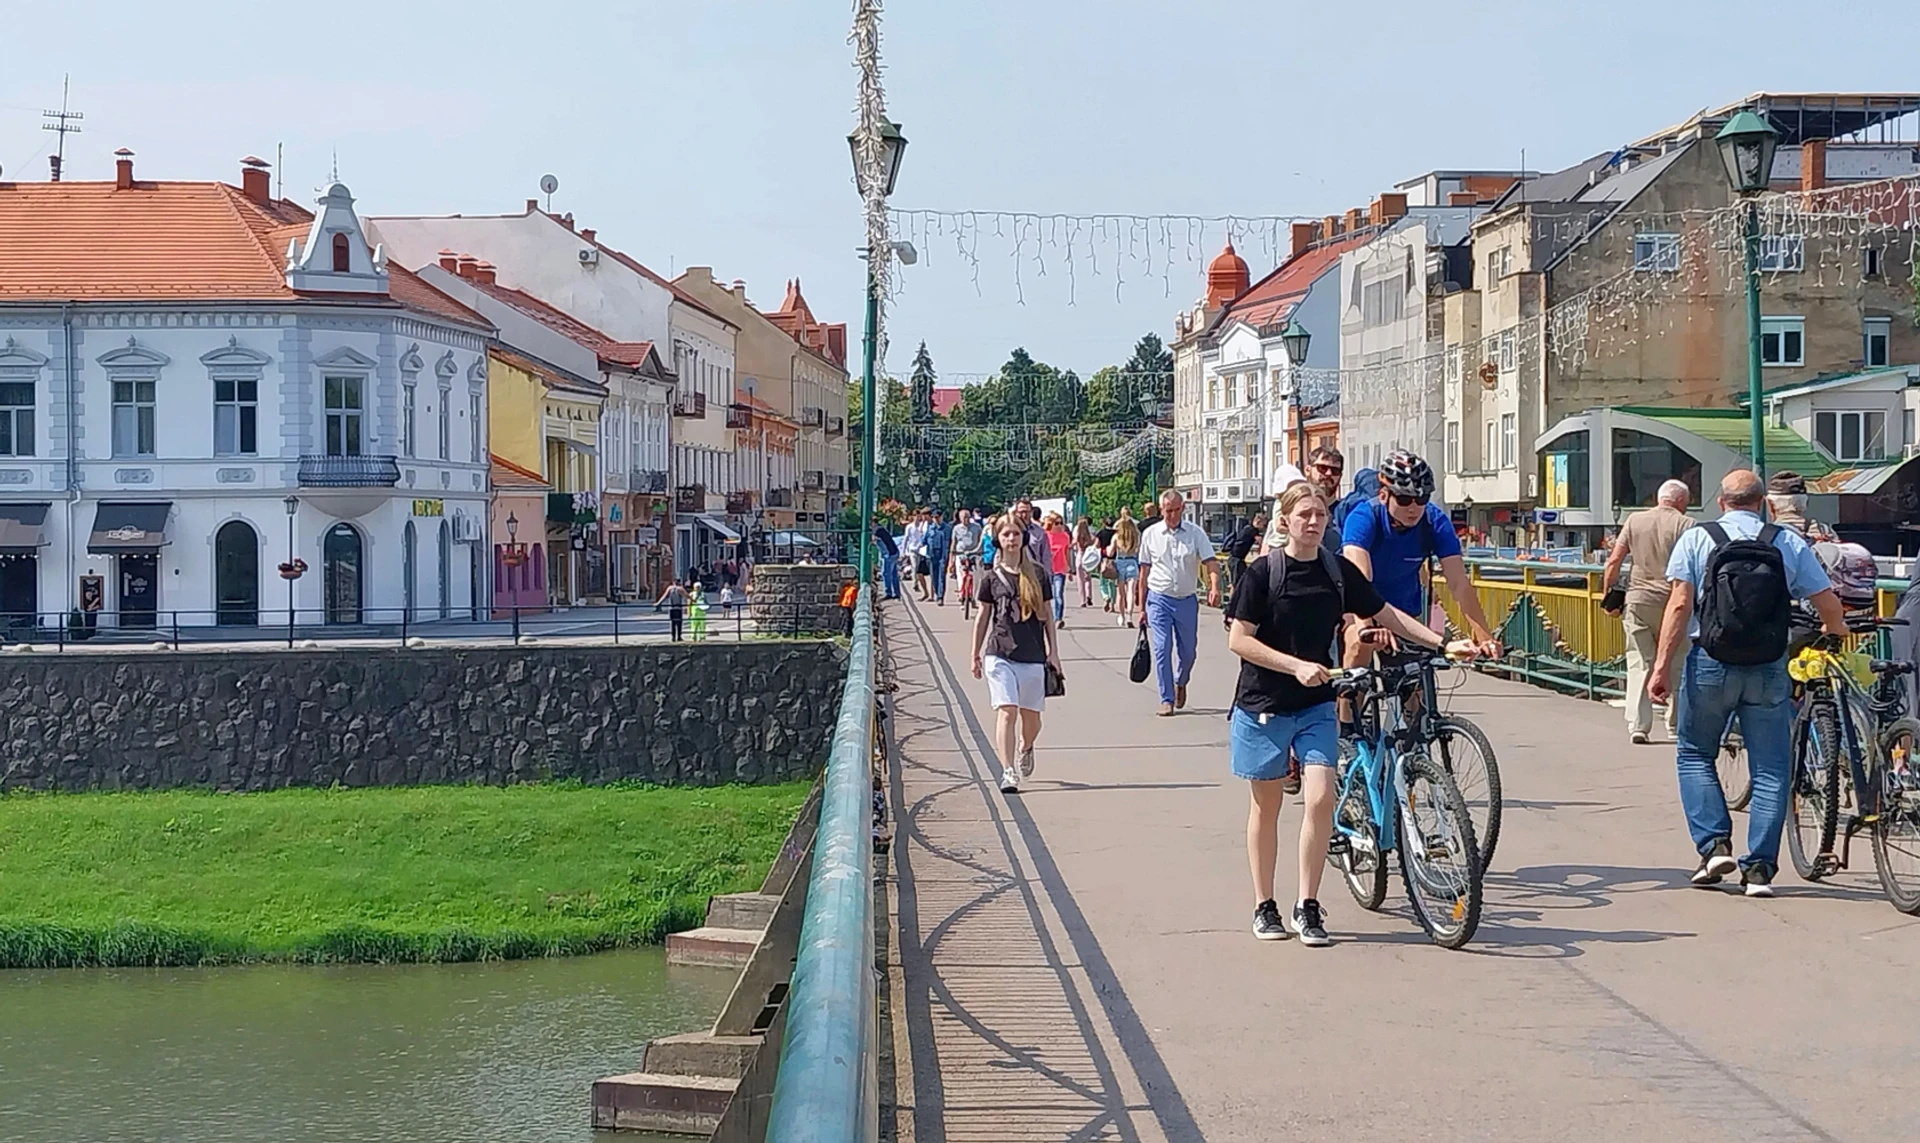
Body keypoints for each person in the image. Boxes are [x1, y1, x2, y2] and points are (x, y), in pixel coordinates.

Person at [1228, 480, 1479, 945]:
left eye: (1320, 515)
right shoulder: (1263, 574)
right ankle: (1265, 905)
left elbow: (1387, 614)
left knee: (1321, 796)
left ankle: (1307, 905)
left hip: (1316, 703)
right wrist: (1296, 665)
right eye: (1303, 514)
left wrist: (1444, 642)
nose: (1312, 522)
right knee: (1267, 806)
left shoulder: (1337, 572)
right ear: (1285, 521)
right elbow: (1238, 640)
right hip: (1265, 703)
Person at [1648, 469, 1848, 898]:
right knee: (1772, 768)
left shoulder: (1699, 539)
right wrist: (1836, 633)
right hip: (1769, 665)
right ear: (1765, 504)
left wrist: (1661, 665)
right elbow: (1826, 602)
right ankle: (1759, 870)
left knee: (1695, 753)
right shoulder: (1788, 542)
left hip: (1710, 662)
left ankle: (1714, 845)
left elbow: (1681, 604)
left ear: (1721, 503)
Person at [1341, 451, 1499, 685]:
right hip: (1360, 606)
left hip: (1404, 609)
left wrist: (1485, 637)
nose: (1413, 507)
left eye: (1422, 499)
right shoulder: (1363, 517)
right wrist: (1367, 627)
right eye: (1404, 500)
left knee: (1414, 691)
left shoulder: (1434, 522)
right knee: (1358, 651)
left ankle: (1418, 721)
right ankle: (1346, 720)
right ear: (1384, 496)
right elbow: (1359, 578)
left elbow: (1458, 583)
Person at [970, 514, 1063, 795]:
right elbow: (983, 616)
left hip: (1032, 654)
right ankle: (1008, 771)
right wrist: (975, 654)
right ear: (997, 539)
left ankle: (1027, 746)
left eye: (1015, 534)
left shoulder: (1038, 574)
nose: (1011, 539)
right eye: (1006, 534)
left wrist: (1053, 653)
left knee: (1032, 719)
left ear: (1023, 538)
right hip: (999, 652)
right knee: (1007, 711)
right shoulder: (990, 578)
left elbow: (1047, 615)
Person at [1602, 479, 1694, 744]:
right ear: (1681, 501)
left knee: (1639, 661)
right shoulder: (1686, 525)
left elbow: (1614, 562)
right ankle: (1675, 725)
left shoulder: (1634, 521)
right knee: (1677, 662)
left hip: (1639, 599)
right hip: (1674, 602)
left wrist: (1609, 597)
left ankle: (1639, 725)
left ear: (1659, 497)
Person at [1139, 489, 1222, 716]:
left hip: (1186, 599)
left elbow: (1211, 562)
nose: (1172, 516)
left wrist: (1214, 587)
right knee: (1162, 647)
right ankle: (1166, 698)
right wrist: (1141, 607)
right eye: (1168, 511)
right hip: (1159, 598)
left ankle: (1181, 680)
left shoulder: (1195, 534)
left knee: (1188, 653)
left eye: (1176, 510)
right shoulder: (1150, 534)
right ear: (1161, 510)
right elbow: (1144, 572)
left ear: (1183, 509)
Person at [1111, 510, 1142, 628]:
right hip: (1132, 562)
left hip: (1120, 563)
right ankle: (1129, 615)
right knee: (1131, 591)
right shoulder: (1136, 537)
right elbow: (1138, 551)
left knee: (1121, 593)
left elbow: (1110, 552)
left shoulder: (1116, 537)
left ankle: (1121, 615)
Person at [1044, 513, 1073, 625]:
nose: (1059, 525)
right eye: (1057, 523)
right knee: (1046, 596)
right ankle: (1046, 618)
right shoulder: (1045, 536)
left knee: (1058, 594)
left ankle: (1058, 618)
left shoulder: (1065, 536)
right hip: (1047, 569)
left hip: (1060, 570)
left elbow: (1066, 553)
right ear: (1051, 524)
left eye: (1061, 523)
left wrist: (1069, 569)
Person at [1224, 514, 1261, 594]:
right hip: (1236, 560)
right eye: (1264, 524)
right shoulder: (1251, 530)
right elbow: (1260, 540)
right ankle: (1233, 602)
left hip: (1235, 559)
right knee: (1236, 584)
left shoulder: (1248, 529)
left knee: (1242, 580)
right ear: (1258, 521)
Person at [926, 509, 954, 606]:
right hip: (932, 555)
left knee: (941, 576)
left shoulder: (947, 528)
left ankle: (940, 597)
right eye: (934, 517)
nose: (936, 519)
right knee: (934, 576)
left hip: (943, 555)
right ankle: (937, 592)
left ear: (942, 517)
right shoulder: (930, 528)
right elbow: (924, 540)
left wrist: (950, 557)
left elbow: (951, 542)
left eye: (938, 517)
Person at [904, 509, 931, 601]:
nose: (917, 518)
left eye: (918, 516)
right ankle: (915, 584)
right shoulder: (909, 527)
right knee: (915, 566)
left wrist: (922, 524)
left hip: (921, 550)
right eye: (915, 516)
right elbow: (906, 539)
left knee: (920, 570)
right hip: (913, 549)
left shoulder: (922, 526)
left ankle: (925, 590)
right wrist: (904, 551)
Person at [1073, 517, 1099, 608]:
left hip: (1080, 556)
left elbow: (1073, 543)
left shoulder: (1078, 535)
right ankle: (1089, 596)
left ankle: (1082, 600)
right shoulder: (1089, 535)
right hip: (1087, 557)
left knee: (1080, 580)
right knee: (1088, 578)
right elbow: (1096, 540)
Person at [1095, 517, 1119, 612]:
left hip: (1104, 559)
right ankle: (1113, 604)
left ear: (1104, 523)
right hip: (1114, 560)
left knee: (1102, 582)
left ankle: (1105, 597)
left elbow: (1096, 545)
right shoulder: (1116, 534)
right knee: (1112, 583)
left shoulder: (1101, 533)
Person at [874, 521, 901, 600]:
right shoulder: (882, 529)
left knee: (886, 573)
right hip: (894, 552)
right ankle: (896, 593)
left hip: (889, 554)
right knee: (893, 574)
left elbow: (879, 543)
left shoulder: (877, 531)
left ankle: (888, 592)